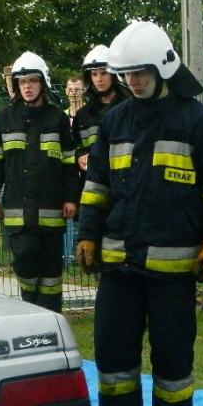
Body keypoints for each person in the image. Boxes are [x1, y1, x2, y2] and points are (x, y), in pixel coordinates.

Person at [76, 22, 203, 406]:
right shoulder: (115, 121)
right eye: (126, 74)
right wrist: (88, 234)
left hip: (173, 267)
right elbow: (96, 186)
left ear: (163, 68)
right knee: (113, 349)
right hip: (119, 264)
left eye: (140, 73)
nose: (132, 81)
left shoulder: (199, 122)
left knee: (172, 351)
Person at [0, 52, 79, 312]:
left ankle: (51, 317)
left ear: (43, 83)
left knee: (51, 274)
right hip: (18, 211)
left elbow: (69, 163)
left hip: (51, 210)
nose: (27, 86)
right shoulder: (4, 118)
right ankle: (30, 309)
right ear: (17, 85)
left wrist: (71, 198)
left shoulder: (57, 118)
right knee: (26, 259)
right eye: (22, 81)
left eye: (33, 81)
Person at [69, 46, 127, 264]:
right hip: (94, 187)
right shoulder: (83, 115)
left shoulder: (130, 106)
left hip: (126, 186)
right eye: (94, 74)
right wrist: (79, 156)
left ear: (114, 75)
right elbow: (76, 146)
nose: (99, 79)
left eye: (103, 73)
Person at [63, 74, 86, 263]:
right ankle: (68, 254)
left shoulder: (89, 114)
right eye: (71, 89)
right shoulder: (62, 116)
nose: (74, 92)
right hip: (70, 168)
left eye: (77, 89)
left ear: (83, 90)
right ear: (66, 91)